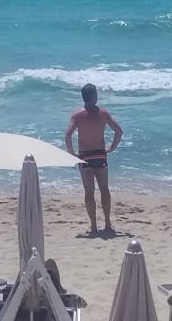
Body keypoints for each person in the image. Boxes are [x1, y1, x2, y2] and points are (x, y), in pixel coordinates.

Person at [64, 82, 123, 235]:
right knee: (104, 188)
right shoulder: (102, 113)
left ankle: (94, 227)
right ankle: (108, 223)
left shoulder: (77, 115)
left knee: (89, 192)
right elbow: (119, 131)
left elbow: (68, 136)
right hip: (100, 154)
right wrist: (112, 148)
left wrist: (72, 154)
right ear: (94, 96)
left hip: (85, 156)